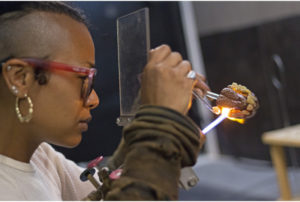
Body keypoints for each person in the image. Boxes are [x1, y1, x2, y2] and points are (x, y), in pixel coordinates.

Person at [0, 2, 209, 200]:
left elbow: (106, 195)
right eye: (84, 79)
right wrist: (158, 128)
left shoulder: (42, 159)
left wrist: (148, 119)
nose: (93, 100)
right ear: (21, 77)